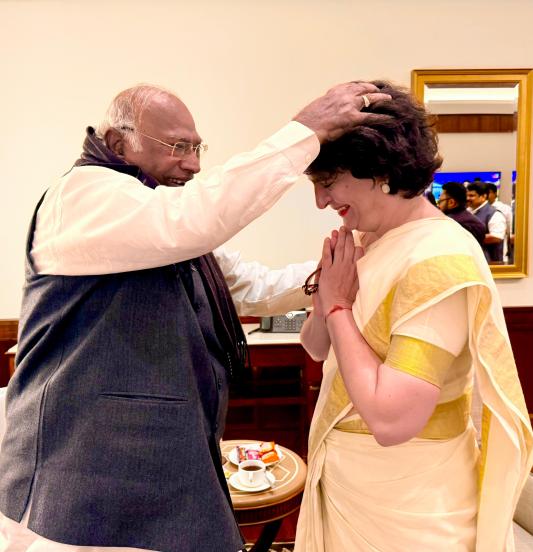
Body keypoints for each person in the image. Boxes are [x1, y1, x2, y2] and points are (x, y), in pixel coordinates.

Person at [0, 82, 391, 552]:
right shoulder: (83, 196)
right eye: (177, 147)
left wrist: (348, 266)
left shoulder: (153, 218)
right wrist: (304, 130)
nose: (193, 163)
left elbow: (247, 284)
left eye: (196, 146)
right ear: (120, 144)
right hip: (83, 480)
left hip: (155, 467)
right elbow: (197, 217)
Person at [294, 81, 532, 551]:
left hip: (409, 501)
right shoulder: (365, 240)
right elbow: (316, 346)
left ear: (378, 170)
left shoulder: (438, 258)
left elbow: (392, 421)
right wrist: (328, 293)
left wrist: (340, 305)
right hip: (351, 483)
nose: (321, 202)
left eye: (327, 183)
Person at [466, 181, 506, 263]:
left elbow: (496, 237)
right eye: (467, 195)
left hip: (490, 262)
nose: (468, 198)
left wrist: (468, 238)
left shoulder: (495, 214)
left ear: (484, 196)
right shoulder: (468, 211)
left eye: (471, 196)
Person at [437, 181, 486, 246]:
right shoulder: (472, 219)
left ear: (451, 202)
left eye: (440, 201)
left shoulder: (451, 223)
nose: (438, 205)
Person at [486, 183, 513, 262]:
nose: (486, 195)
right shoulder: (472, 209)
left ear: (495, 194)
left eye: (489, 193)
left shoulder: (505, 208)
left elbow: (509, 230)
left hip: (499, 246)